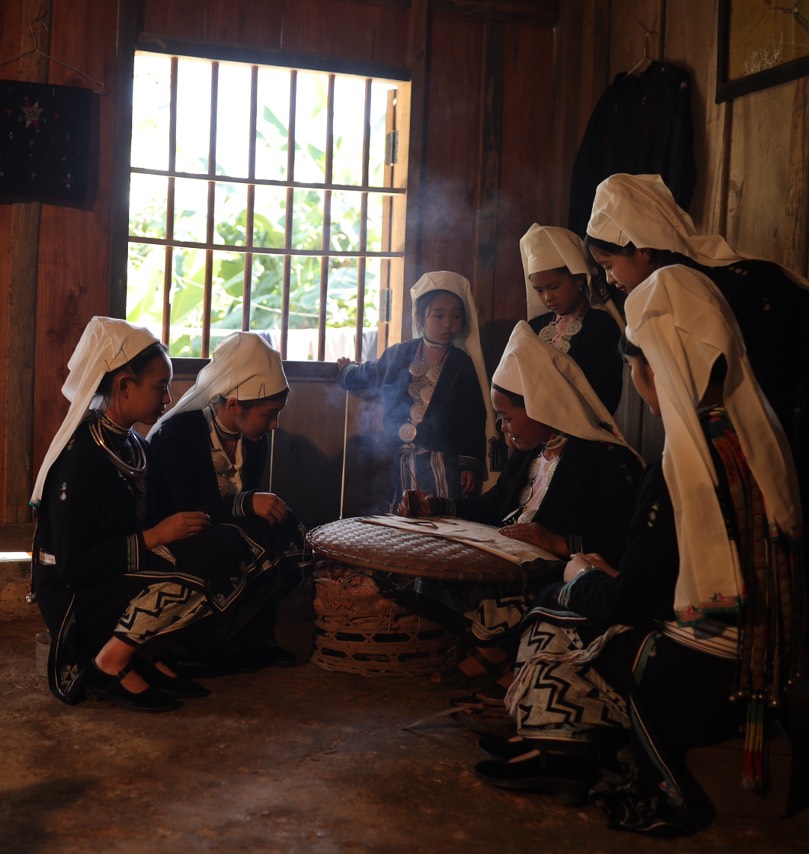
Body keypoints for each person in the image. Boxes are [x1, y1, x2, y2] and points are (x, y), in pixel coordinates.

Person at [476, 271, 803, 836]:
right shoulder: (754, 438)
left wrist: (582, 571)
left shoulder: (679, 468)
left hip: (695, 683)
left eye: (635, 369)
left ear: (657, 367)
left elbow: (628, 605)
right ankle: (553, 742)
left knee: (556, 609)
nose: (637, 384)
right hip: (763, 675)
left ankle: (562, 747)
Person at [583, 172, 809, 632]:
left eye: (610, 264)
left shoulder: (731, 286)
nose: (611, 279)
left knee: (799, 492)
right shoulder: (679, 285)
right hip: (785, 389)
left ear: (641, 248)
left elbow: (758, 378)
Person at [28, 318, 293, 713]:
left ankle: (146, 651)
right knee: (198, 569)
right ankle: (107, 663)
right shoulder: (82, 458)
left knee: (220, 548)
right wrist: (154, 537)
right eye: (159, 387)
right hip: (77, 592)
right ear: (124, 386)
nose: (168, 400)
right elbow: (73, 565)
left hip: (118, 571)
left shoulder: (132, 445)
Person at [398, 322, 642, 692]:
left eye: (509, 417)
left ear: (543, 406)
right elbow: (494, 506)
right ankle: (493, 651)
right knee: (424, 573)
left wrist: (562, 543)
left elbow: (624, 537)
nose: (503, 427)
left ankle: (496, 654)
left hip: (560, 568)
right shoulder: (531, 452)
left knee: (497, 592)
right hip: (511, 554)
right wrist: (439, 505)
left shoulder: (605, 459)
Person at [146, 331, 307, 672]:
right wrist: (242, 506)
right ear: (234, 406)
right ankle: (201, 645)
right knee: (236, 541)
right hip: (179, 538)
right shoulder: (177, 436)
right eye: (269, 414)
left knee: (282, 525)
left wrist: (248, 508)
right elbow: (180, 514)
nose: (275, 424)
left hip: (224, 530)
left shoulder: (255, 439)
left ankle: (254, 640)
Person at [336, 271, 495, 508]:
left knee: (439, 519)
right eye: (438, 315)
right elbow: (371, 374)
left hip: (443, 463)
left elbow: (471, 420)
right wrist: (347, 370)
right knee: (403, 517)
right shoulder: (399, 354)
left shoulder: (461, 364)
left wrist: (468, 465)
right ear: (420, 317)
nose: (448, 324)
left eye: (457, 316)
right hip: (399, 461)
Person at [521, 223, 624, 413]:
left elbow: (606, 394)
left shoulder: (601, 326)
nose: (547, 297)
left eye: (553, 287)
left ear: (578, 279)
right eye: (539, 290)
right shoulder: (535, 327)